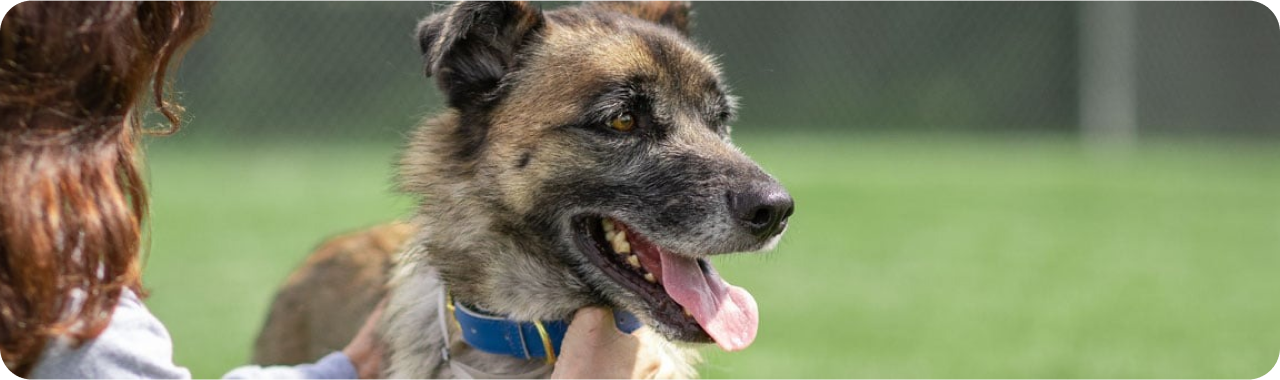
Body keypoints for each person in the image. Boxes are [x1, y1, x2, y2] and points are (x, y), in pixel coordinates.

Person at [1, 1, 647, 379]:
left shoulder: (49, 288)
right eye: (135, 75)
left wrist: (339, 369)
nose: (140, 115)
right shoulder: (61, 313)